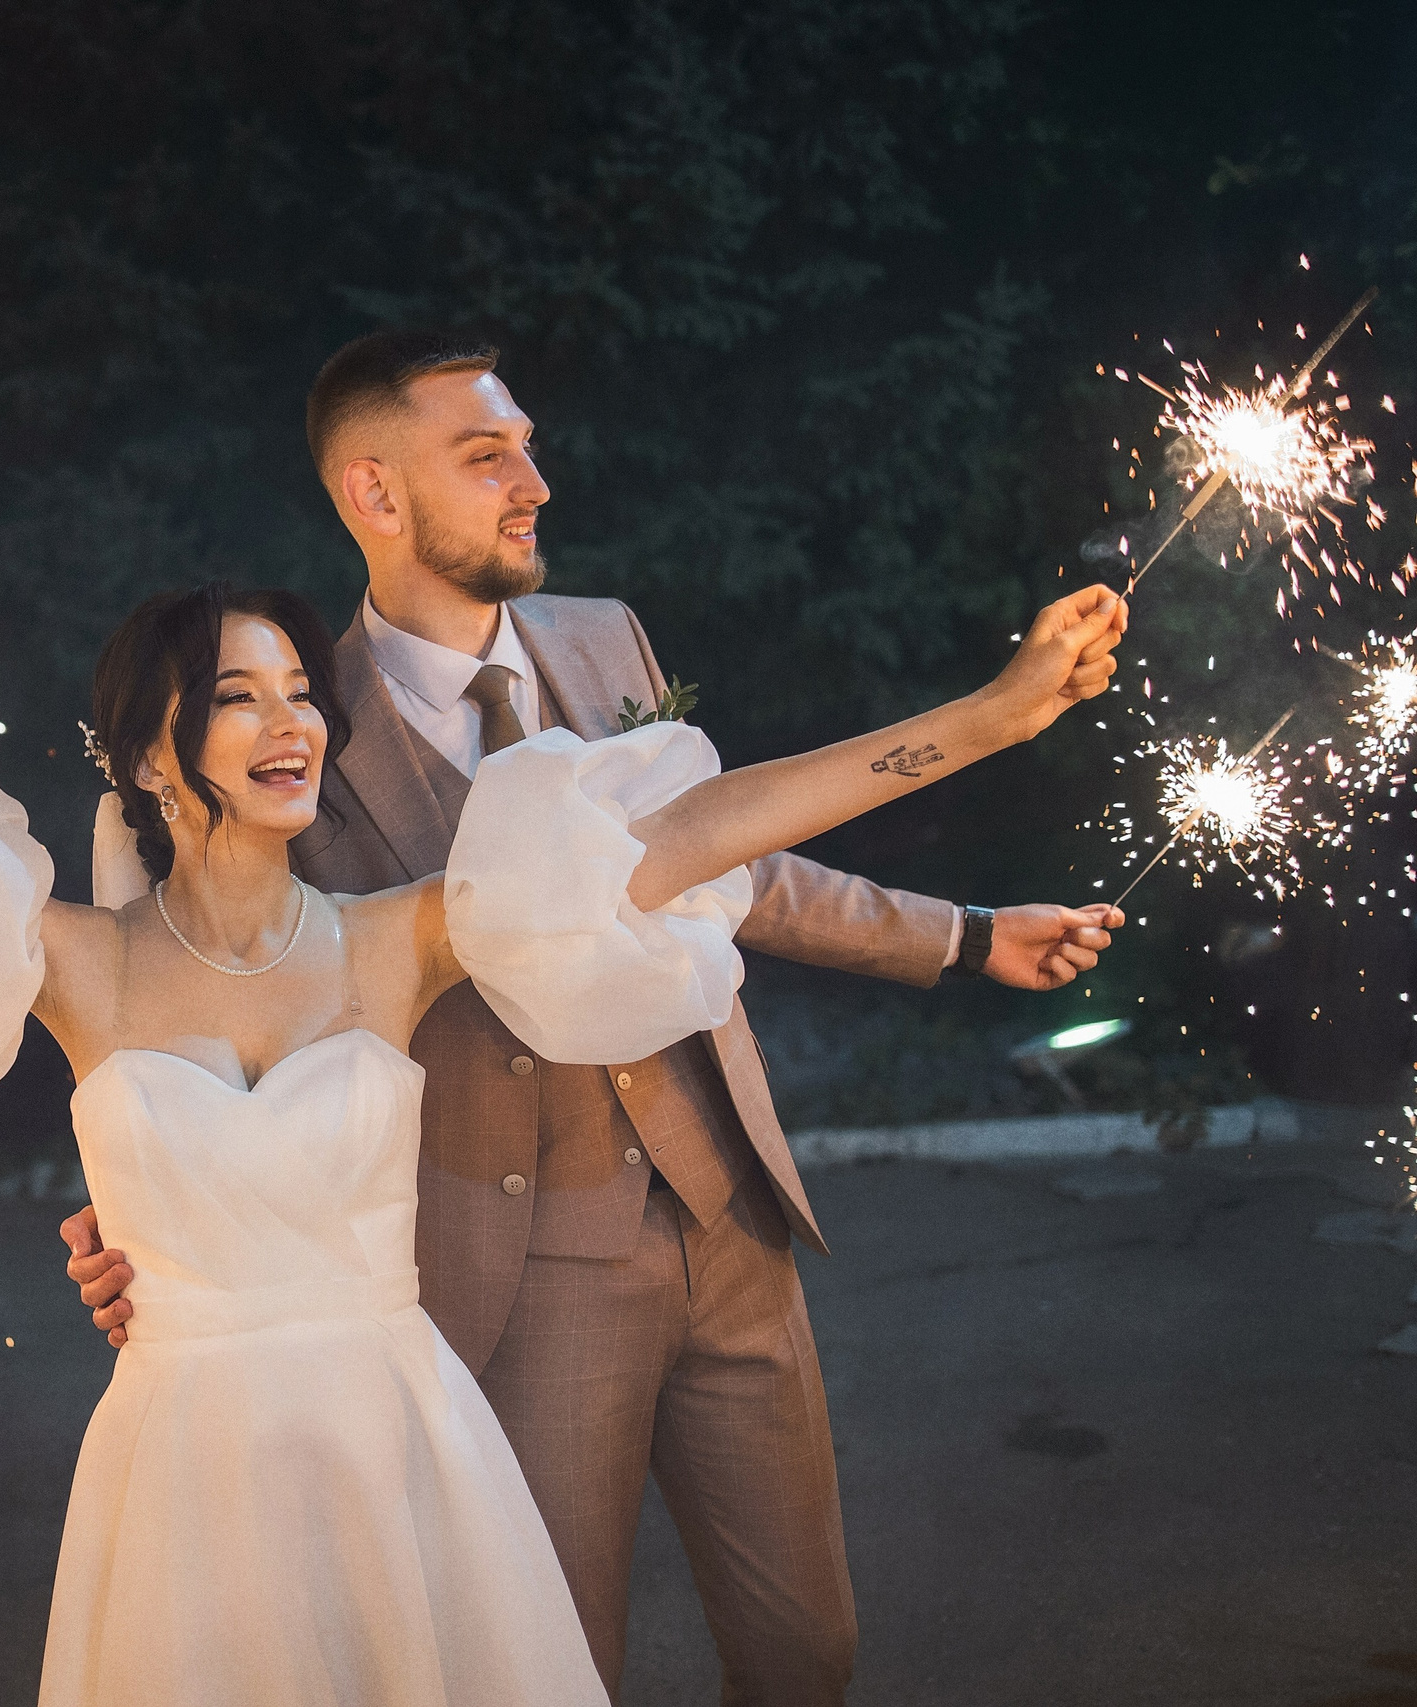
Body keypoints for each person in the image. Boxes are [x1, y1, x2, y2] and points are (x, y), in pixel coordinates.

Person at [0, 560, 1123, 1703]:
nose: (289, 723)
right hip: (188, 1472)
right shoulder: (69, 964)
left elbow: (696, 837)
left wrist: (986, 717)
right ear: (146, 749)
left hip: (402, 1443)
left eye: (299, 690)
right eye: (239, 696)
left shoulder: (404, 932)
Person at [65, 331, 1128, 1704]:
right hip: (518, 1268)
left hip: (726, 1214)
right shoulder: (291, 730)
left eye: (528, 443)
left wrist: (965, 934)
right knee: (557, 1667)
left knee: (810, 1650)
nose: (536, 482)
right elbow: (210, 989)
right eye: (487, 453)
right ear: (376, 495)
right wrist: (148, 1219)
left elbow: (718, 850)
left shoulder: (602, 634)